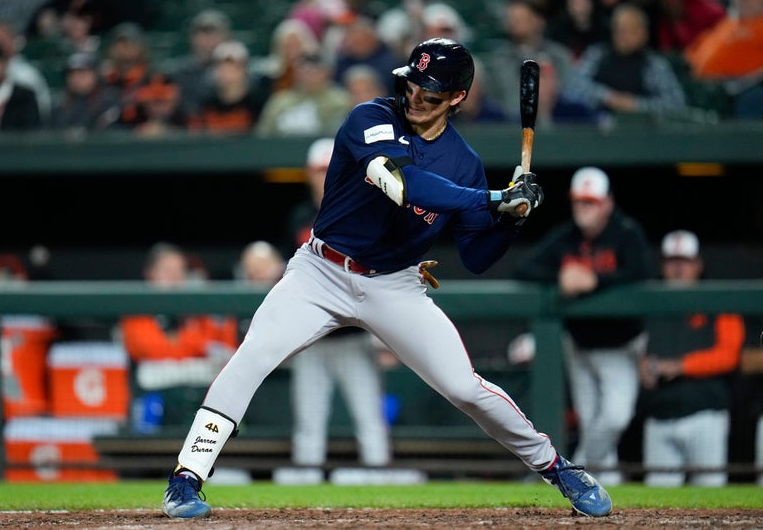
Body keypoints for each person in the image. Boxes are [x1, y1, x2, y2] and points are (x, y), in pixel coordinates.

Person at [160, 37, 611, 520]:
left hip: (394, 283)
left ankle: (558, 468)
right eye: (412, 85)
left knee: (463, 387)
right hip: (322, 271)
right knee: (252, 355)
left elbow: (478, 256)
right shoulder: (370, 118)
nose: (416, 98)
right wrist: (494, 199)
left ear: (457, 98)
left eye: (432, 93)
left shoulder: (465, 164)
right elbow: (406, 184)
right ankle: (186, 479)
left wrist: (513, 217)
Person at [514, 166, 655, 486]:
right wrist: (561, 277)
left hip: (620, 344)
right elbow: (523, 269)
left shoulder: (626, 233)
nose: (584, 209)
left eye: (591, 202)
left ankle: (575, 473)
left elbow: (642, 273)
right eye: (580, 202)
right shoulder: (566, 236)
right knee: (592, 421)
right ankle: (601, 486)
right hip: (579, 343)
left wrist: (594, 280)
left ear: (607, 204)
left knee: (616, 417)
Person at [275, 137, 392, 484]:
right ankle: (303, 497)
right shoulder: (299, 216)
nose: (324, 177)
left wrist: (384, 334)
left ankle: (384, 489)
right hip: (312, 336)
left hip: (353, 333)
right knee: (309, 422)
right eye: (319, 171)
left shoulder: (361, 207)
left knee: (369, 418)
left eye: (330, 169)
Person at [638, 229, 744, 487]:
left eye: (684, 262)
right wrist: (638, 364)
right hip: (659, 416)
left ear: (698, 265)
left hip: (705, 416)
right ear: (663, 265)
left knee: (711, 495)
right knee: (657, 505)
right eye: (672, 261)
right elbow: (629, 348)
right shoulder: (647, 303)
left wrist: (681, 366)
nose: (677, 269)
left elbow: (730, 355)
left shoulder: (717, 301)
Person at [118, 242, 239, 432]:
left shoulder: (197, 309)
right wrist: (194, 349)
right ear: (151, 274)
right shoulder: (137, 309)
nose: (175, 278)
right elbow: (151, 350)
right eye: (167, 271)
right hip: (153, 405)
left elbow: (223, 349)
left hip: (197, 402)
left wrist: (181, 344)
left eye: (179, 271)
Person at [564, 2, 688, 121]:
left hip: (642, 131)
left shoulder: (654, 65)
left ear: (644, 34)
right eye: (618, 30)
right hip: (596, 127)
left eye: (630, 31)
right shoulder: (597, 55)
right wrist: (608, 97)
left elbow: (676, 104)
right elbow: (573, 86)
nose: (622, 36)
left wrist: (635, 105)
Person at [683, 0, 763, 119]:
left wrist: (739, 84)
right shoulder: (725, 25)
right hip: (705, 85)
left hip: (743, 87)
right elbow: (692, 54)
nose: (744, 0)